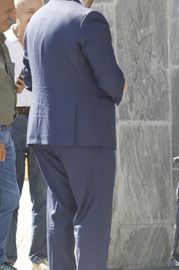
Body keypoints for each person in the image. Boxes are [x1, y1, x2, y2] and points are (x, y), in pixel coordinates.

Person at [22, 0, 127, 269]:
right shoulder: (88, 19)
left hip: (44, 133)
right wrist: (120, 85)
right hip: (86, 133)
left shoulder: (35, 21)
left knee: (59, 214)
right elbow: (111, 81)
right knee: (92, 217)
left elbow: (31, 79)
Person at [3, 1, 48, 269]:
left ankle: (39, 256)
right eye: (31, 11)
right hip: (13, 121)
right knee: (12, 192)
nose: (37, 16)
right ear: (17, 14)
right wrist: (14, 88)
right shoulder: (3, 43)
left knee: (42, 194)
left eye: (39, 10)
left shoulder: (46, 41)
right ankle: (8, 258)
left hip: (41, 121)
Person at [0, 0, 21, 269]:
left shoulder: (2, 41)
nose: (13, 16)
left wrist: (13, 88)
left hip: (7, 130)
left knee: (9, 198)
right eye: (7, 11)